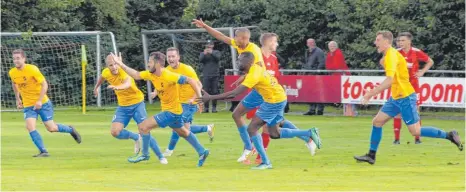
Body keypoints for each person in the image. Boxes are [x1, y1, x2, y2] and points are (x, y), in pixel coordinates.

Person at [354, 31, 463, 165]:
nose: (375, 43)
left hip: (405, 97)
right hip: (395, 97)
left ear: (386, 42)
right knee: (377, 122)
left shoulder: (392, 56)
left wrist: (370, 94)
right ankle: (371, 155)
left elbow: (389, 80)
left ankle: (449, 135)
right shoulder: (391, 54)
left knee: (415, 131)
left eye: (378, 40)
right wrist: (373, 91)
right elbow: (393, 79)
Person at [198, 52, 322, 169]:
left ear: (248, 62)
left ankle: (265, 162)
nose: (238, 61)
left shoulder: (253, 74)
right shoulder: (255, 68)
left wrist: (210, 97)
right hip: (278, 98)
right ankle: (308, 133)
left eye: (240, 60)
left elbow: (234, 94)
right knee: (274, 134)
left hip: (273, 101)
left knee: (252, 129)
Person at [111, 52, 210, 167]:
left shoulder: (168, 75)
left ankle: (145, 154)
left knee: (143, 127)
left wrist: (199, 98)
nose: (148, 64)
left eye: (150, 62)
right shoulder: (151, 74)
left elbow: (192, 81)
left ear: (157, 64)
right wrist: (121, 64)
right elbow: (136, 75)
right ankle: (202, 151)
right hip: (175, 111)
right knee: (183, 132)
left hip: (171, 112)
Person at [192, 18, 263, 162]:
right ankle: (249, 148)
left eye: (236, 37)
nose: (233, 40)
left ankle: (250, 149)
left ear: (244, 38)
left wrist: (211, 97)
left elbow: (259, 68)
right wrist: (205, 26)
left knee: (271, 127)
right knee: (239, 116)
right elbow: (221, 37)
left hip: (263, 91)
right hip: (258, 90)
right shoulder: (241, 45)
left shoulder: (253, 50)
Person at [247, 33, 318, 165]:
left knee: (263, 127)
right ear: (268, 42)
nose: (277, 44)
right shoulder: (257, 57)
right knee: (277, 123)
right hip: (260, 96)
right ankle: (307, 138)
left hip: (272, 97)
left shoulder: (273, 58)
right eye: (275, 41)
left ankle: (258, 156)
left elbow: (276, 79)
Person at [93, 55, 166, 164]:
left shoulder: (124, 72)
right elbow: (102, 77)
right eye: (111, 65)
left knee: (144, 129)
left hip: (137, 104)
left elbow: (127, 84)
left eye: (115, 64)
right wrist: (96, 87)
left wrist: (117, 87)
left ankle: (161, 157)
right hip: (123, 106)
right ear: (107, 66)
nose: (114, 67)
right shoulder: (106, 72)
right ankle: (136, 137)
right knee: (115, 132)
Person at [8, 49, 81, 157]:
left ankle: (70, 130)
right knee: (30, 127)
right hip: (28, 105)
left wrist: (39, 101)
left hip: (43, 103)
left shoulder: (32, 69)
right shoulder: (12, 72)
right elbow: (15, 84)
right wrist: (18, 99)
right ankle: (43, 151)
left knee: (51, 128)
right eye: (14, 59)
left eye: (18, 58)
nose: (16, 61)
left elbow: (44, 85)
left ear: (24, 59)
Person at [162, 47, 215, 157]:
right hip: (177, 104)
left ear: (178, 57)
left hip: (190, 103)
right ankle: (207, 128)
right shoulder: (166, 70)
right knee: (185, 130)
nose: (171, 59)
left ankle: (169, 150)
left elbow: (199, 84)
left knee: (178, 126)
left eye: (173, 56)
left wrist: (195, 98)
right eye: (169, 57)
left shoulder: (187, 69)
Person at [392, 32, 435, 145]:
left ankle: (417, 138)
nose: (400, 43)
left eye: (402, 40)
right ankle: (396, 139)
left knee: (415, 111)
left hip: (413, 87)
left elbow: (430, 61)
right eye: (399, 41)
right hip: (400, 86)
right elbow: (384, 62)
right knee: (398, 112)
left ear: (409, 41)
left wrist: (422, 71)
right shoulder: (395, 53)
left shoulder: (416, 52)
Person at [303, 38, 326, 116]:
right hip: (309, 75)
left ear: (314, 43)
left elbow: (322, 63)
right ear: (307, 44)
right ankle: (312, 109)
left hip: (317, 76)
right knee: (311, 93)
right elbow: (307, 63)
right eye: (309, 43)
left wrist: (317, 73)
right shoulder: (307, 51)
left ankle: (320, 110)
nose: (310, 44)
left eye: (311, 42)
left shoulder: (319, 51)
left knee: (319, 93)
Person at [200, 41, 221, 113]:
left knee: (215, 91)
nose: (208, 46)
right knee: (205, 91)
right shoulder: (203, 53)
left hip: (215, 75)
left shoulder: (216, 52)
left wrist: (212, 52)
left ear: (213, 45)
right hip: (206, 75)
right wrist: (204, 54)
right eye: (207, 45)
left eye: (210, 45)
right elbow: (200, 60)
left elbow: (218, 58)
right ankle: (206, 108)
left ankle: (214, 108)